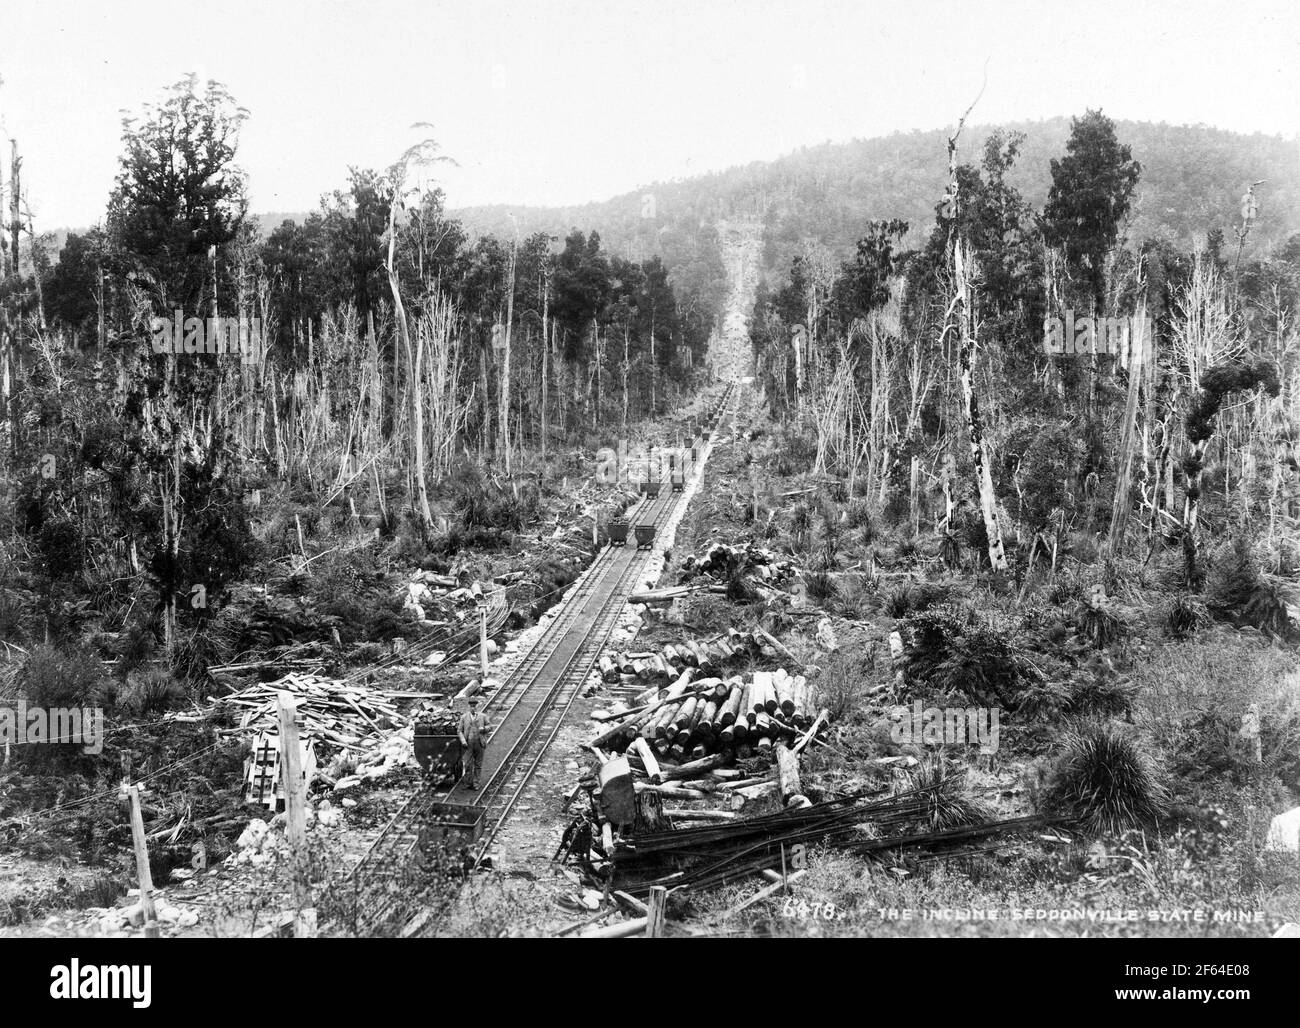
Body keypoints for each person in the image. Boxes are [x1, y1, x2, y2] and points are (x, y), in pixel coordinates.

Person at [457, 696, 489, 790]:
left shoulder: (483, 716)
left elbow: (490, 726)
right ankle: (468, 783)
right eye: (471, 706)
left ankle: (476, 784)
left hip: (480, 743)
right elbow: (459, 731)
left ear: (477, 706)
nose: (473, 708)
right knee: (467, 764)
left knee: (478, 765)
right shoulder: (464, 717)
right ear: (469, 706)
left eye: (474, 706)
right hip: (468, 744)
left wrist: (484, 729)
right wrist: (463, 741)